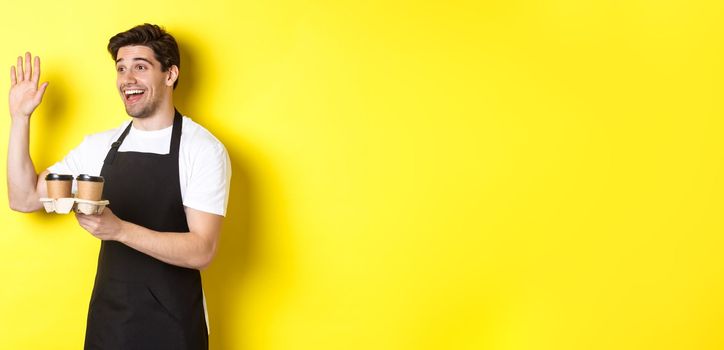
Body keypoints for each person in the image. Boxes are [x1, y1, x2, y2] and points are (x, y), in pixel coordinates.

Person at [7, 23, 231, 349]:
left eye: (141, 67)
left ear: (170, 75)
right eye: (121, 68)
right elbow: (24, 198)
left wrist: (119, 230)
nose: (127, 79)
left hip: (175, 328)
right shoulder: (99, 147)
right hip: (109, 326)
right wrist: (20, 119)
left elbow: (203, 250)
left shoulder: (202, 149)